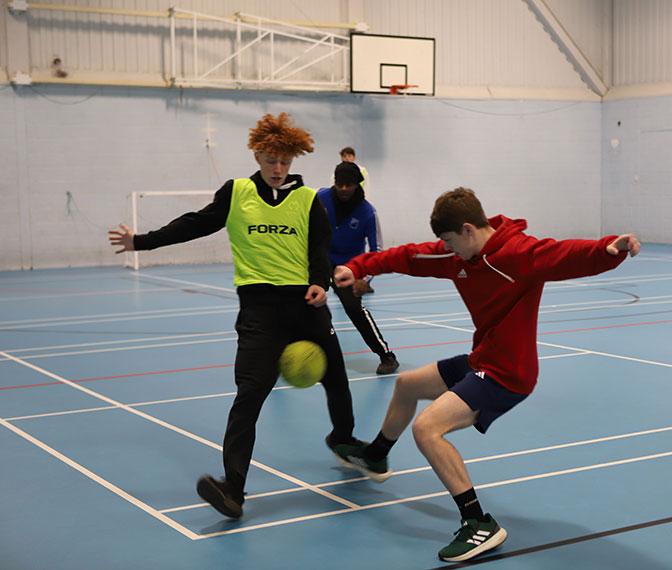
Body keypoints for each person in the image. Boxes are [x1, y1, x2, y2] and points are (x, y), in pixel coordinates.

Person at [332, 188, 641, 563]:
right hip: (483, 358)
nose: (445, 248)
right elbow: (408, 256)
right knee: (407, 384)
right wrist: (358, 267)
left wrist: (610, 248)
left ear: (467, 229)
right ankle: (376, 456)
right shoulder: (456, 254)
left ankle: (479, 523)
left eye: (448, 240)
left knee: (427, 429)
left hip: (508, 372)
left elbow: (565, 255)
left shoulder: (518, 254)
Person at [108, 113, 361, 520]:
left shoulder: (310, 199)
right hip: (259, 313)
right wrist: (141, 241)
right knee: (248, 399)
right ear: (258, 155)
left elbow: (321, 247)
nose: (277, 169)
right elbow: (195, 224)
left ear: (293, 160)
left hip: (305, 305)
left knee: (337, 378)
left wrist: (321, 283)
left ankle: (345, 440)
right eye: (270, 160)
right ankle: (233, 491)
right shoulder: (237, 192)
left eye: (284, 161)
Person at [318, 162, 399, 375]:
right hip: (321, 262)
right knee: (305, 303)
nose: (344, 188)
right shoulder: (319, 199)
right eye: (340, 184)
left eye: (349, 184)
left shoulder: (368, 212)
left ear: (357, 185)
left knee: (354, 309)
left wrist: (365, 279)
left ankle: (386, 356)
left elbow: (377, 251)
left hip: (349, 270)